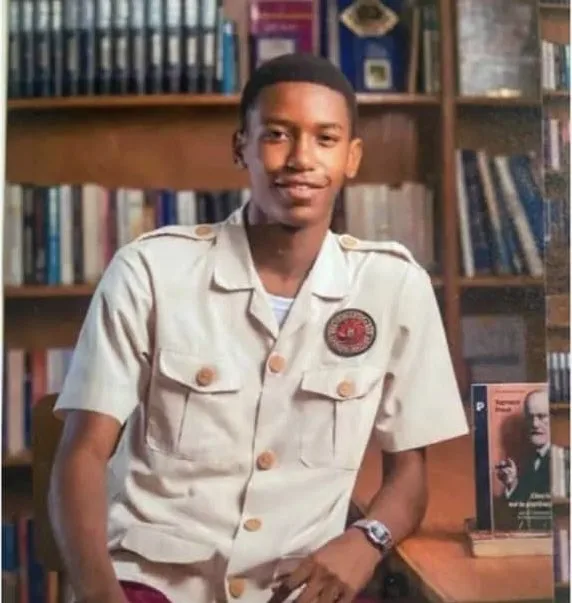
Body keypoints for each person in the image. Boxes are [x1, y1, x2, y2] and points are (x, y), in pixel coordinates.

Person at [48, 52, 469, 603]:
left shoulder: (394, 286)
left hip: (294, 587)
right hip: (153, 581)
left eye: (325, 138)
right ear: (240, 146)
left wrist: (365, 541)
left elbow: (409, 481)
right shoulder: (150, 271)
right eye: (276, 134)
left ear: (351, 157)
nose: (301, 158)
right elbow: (81, 455)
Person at [494, 388, 554, 531]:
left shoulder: (564, 459)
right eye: (530, 417)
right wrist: (511, 484)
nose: (534, 424)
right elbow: (512, 518)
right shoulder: (524, 461)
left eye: (542, 416)